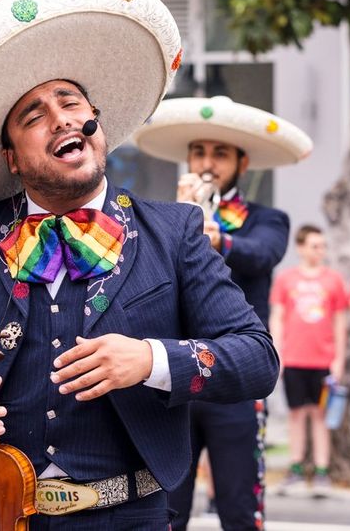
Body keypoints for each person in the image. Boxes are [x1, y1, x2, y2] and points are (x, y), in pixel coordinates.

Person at [0, 0, 279, 530]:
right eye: (34, 116)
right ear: (12, 159)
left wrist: (150, 359)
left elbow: (257, 358)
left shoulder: (176, 230)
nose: (62, 118)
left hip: (129, 517)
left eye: (70, 103)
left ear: (96, 122)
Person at [133, 94, 311, 529]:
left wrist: (209, 237)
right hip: (176, 381)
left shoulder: (267, 218)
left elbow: (261, 255)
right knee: (168, 511)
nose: (206, 162)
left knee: (239, 509)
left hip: (235, 381)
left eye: (219, 153)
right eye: (198, 152)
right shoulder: (163, 216)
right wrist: (180, 220)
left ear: (242, 164)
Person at [268, 224, 347, 498]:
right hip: (294, 359)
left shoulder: (333, 280)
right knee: (296, 415)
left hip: (323, 360)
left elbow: (339, 322)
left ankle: (322, 472)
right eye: (314, 246)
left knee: (320, 415)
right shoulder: (285, 279)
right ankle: (296, 468)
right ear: (300, 247)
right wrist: (278, 353)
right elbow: (277, 317)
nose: (319, 251)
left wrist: (339, 358)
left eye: (322, 246)